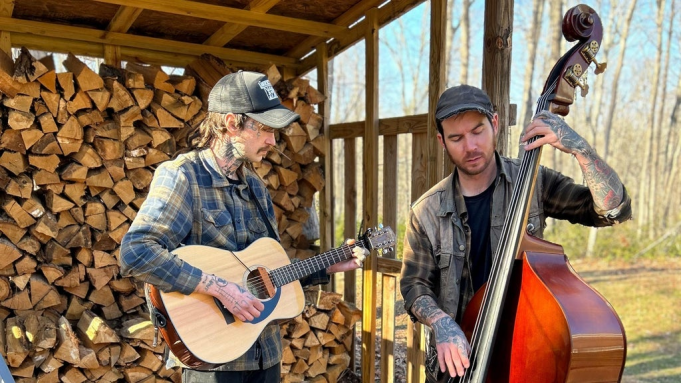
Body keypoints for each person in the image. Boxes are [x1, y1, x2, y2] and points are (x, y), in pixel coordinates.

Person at [120, 71, 365, 383]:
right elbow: (136, 252)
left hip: (267, 354)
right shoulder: (183, 176)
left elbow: (268, 273)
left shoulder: (255, 185)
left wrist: (326, 267)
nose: (272, 141)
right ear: (232, 123)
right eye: (263, 129)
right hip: (215, 360)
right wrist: (219, 288)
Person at [399, 84, 632, 381]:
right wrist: (441, 322)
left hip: (526, 354)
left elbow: (612, 210)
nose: (470, 146)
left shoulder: (534, 182)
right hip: (456, 365)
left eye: (478, 131)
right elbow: (414, 285)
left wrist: (580, 150)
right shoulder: (426, 211)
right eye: (456, 138)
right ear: (441, 141)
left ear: (495, 124)